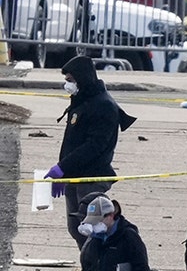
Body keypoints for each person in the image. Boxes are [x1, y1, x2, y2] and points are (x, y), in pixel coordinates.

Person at [46, 55, 137, 249]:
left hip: (92, 178)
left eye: (70, 80)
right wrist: (64, 172)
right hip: (75, 176)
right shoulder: (81, 101)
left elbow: (94, 146)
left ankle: (101, 269)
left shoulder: (103, 106)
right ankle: (88, 270)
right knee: (76, 229)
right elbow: (73, 143)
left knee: (93, 229)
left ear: (82, 78)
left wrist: (62, 167)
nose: (68, 85)